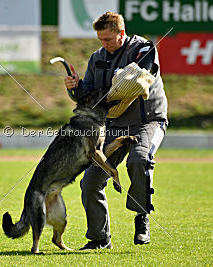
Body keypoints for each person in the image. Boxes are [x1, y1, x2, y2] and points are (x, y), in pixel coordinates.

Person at [64, 11, 168, 250]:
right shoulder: (97, 57)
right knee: (90, 181)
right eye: (100, 39)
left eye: (108, 39)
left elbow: (140, 78)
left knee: (139, 159)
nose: (104, 44)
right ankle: (100, 239)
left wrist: (108, 89)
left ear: (121, 33)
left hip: (149, 122)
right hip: (115, 126)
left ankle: (141, 216)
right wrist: (76, 88)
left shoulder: (144, 48)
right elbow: (88, 98)